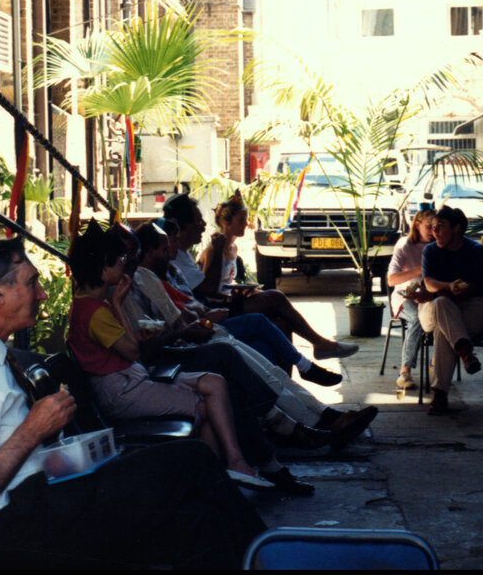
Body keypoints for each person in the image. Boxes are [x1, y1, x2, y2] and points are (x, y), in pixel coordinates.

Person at [0, 238, 265, 568]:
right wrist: (32, 431)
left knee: (201, 521)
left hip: (39, 503)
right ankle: (275, 554)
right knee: (192, 458)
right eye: (32, 283)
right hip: (18, 531)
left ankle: (264, 558)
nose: (42, 294)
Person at [112, 220, 379, 451]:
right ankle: (316, 422)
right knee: (247, 354)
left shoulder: (145, 277)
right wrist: (192, 325)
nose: (131, 260)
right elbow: (150, 341)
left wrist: (197, 322)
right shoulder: (115, 294)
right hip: (174, 354)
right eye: (126, 256)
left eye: (132, 254)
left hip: (192, 337)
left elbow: (179, 318)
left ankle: (327, 416)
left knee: (270, 368)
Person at [66, 221, 275, 491]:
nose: (124, 263)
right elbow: (133, 351)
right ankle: (223, 472)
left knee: (214, 384)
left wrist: (116, 303)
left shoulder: (91, 305)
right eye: (118, 259)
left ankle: (220, 473)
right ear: (102, 267)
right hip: (123, 390)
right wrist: (118, 304)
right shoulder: (95, 312)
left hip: (131, 381)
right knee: (207, 404)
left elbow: (131, 349)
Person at [153, 217, 342, 387]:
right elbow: (203, 294)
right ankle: (306, 364)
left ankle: (288, 386)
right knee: (268, 306)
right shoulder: (155, 277)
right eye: (172, 241)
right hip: (203, 322)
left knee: (277, 328)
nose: (202, 224)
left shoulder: (173, 268)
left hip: (209, 313)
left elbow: (193, 300)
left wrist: (230, 299)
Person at [197, 191, 360, 361]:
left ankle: (304, 358)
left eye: (246, 220)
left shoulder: (233, 248)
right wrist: (231, 296)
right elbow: (207, 288)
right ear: (225, 222)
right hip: (218, 306)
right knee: (276, 297)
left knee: (283, 320)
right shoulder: (213, 250)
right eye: (241, 220)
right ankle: (320, 344)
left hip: (230, 300)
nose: (246, 224)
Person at [419, 205, 483, 415]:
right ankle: (465, 352)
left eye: (440, 226)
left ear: (457, 228)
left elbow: (480, 288)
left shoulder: (476, 251)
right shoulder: (430, 250)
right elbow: (429, 284)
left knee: (444, 329)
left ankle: (440, 395)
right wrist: (448, 287)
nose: (434, 231)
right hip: (435, 310)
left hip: (469, 311)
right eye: (432, 227)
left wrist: (465, 290)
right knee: (442, 304)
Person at [386, 208, 435, 389]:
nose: (433, 232)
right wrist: (418, 271)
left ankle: (436, 362)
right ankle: (405, 371)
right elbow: (392, 280)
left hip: (429, 297)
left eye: (436, 227)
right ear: (418, 225)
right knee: (417, 318)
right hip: (404, 297)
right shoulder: (405, 245)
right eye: (429, 227)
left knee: (444, 311)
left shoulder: (438, 246)